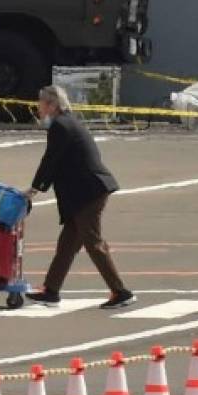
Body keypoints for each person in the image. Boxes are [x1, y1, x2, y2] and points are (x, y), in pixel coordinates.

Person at [24, 85, 135, 309]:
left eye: (41, 103)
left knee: (93, 242)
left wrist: (35, 188)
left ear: (52, 105)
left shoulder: (61, 127)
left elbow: (50, 160)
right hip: (84, 192)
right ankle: (51, 290)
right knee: (67, 244)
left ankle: (120, 292)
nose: (38, 107)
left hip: (88, 192)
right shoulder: (70, 122)